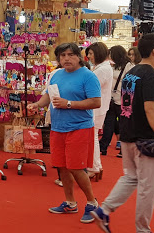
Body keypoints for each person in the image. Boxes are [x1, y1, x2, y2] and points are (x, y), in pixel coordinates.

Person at [91, 34, 154, 233]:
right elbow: (150, 109)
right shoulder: (150, 74)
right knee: (148, 188)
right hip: (145, 137)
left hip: (128, 134)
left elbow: (126, 106)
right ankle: (142, 229)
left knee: (131, 178)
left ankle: (105, 210)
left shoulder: (132, 72)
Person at [28, 42, 101, 224]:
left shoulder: (88, 77)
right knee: (62, 166)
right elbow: (49, 96)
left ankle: (92, 203)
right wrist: (37, 104)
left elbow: (95, 102)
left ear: (79, 57)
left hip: (79, 127)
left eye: (70, 55)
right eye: (62, 56)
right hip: (58, 127)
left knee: (76, 167)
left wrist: (69, 103)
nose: (66, 59)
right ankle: (70, 202)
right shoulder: (56, 75)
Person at [100, 45, 135, 157]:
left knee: (124, 125)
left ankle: (124, 150)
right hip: (111, 99)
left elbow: (131, 84)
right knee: (109, 123)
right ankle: (103, 147)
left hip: (123, 100)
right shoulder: (113, 66)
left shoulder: (129, 66)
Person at [85, 42, 113, 178]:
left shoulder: (102, 69)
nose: (89, 56)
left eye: (91, 53)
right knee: (92, 137)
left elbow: (90, 86)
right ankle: (96, 166)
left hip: (96, 108)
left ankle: (94, 166)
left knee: (92, 137)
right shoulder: (102, 67)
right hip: (98, 106)